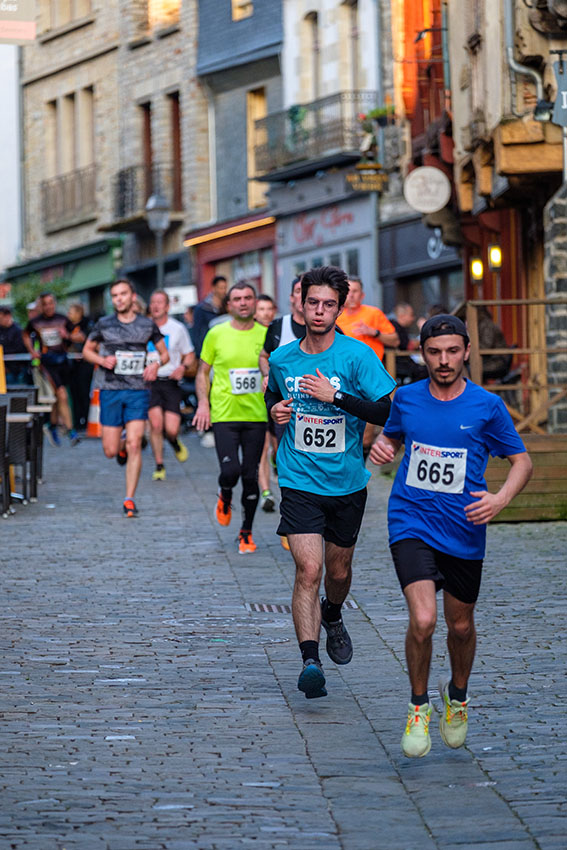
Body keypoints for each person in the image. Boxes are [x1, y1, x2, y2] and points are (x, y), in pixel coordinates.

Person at [370, 314, 533, 758]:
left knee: (460, 626)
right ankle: (418, 706)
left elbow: (522, 462)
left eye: (452, 351)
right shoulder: (406, 398)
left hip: (464, 527)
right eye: (435, 352)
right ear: (422, 354)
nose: (444, 361)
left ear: (466, 352)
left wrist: (499, 500)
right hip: (411, 521)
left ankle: (457, 696)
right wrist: (383, 447)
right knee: (424, 620)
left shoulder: (487, 406)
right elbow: (391, 440)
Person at [266, 266, 396, 699]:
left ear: (339, 309)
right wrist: (275, 411)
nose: (319, 311)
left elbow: (385, 411)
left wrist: (335, 396)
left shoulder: (357, 355)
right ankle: (310, 661)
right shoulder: (283, 358)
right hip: (298, 477)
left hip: (346, 482)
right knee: (309, 569)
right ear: (300, 305)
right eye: (313, 303)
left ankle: (334, 613)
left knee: (338, 572)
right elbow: (273, 396)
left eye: (328, 305)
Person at [82, 279, 169, 518]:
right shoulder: (104, 324)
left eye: (123, 294)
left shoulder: (147, 324)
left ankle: (129, 499)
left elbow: (164, 354)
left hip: (137, 390)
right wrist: (102, 360)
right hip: (110, 390)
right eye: (114, 295)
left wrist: (155, 365)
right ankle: (120, 446)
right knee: (110, 451)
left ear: (132, 296)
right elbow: (86, 351)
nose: (118, 299)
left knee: (135, 443)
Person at [193, 282, 268, 554]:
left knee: (250, 476)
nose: (243, 303)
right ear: (229, 305)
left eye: (248, 298)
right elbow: (202, 372)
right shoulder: (216, 333)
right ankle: (225, 493)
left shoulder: (266, 334)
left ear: (255, 302)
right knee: (230, 471)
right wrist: (203, 404)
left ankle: (246, 532)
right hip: (224, 414)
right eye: (237, 299)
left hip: (257, 415)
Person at [336, 277, 399, 459]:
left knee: (366, 431)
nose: (351, 295)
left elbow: (395, 340)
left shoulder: (373, 314)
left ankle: (360, 464)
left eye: (355, 291)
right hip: (342, 375)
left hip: (369, 377)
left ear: (362, 295)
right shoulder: (336, 316)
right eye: (348, 291)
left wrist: (374, 333)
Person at [147, 289, 196, 481]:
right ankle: (159, 465)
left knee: (172, 429)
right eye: (153, 302)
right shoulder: (143, 327)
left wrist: (183, 367)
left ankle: (174, 442)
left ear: (167, 307)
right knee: (156, 425)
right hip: (150, 382)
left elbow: (189, 354)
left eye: (160, 302)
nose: (156, 306)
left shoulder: (177, 328)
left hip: (171, 382)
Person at [23, 291, 79, 446]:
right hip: (46, 364)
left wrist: (67, 335)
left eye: (50, 303)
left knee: (56, 397)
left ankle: (52, 426)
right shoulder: (35, 322)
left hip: (62, 362)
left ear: (54, 303)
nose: (48, 306)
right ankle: (71, 431)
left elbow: (80, 336)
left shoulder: (62, 319)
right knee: (62, 395)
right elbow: (25, 335)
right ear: (41, 306)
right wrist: (32, 351)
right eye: (45, 304)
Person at [254, 294, 277, 511]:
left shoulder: (278, 331)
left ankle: (276, 462)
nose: (266, 313)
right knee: (261, 447)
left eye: (269, 309)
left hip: (278, 400)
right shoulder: (248, 333)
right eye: (261, 309)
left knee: (277, 449)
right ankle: (266, 492)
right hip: (255, 401)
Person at [67, 303, 94, 430]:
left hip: (85, 365)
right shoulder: (68, 325)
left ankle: (87, 420)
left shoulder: (87, 324)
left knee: (84, 393)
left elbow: (84, 338)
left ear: (79, 313)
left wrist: (68, 336)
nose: (69, 315)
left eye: (71, 312)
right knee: (74, 394)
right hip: (72, 366)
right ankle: (77, 422)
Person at [389, 302, 428, 384]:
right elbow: (408, 346)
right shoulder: (395, 328)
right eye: (411, 315)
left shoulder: (395, 326)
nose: (413, 319)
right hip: (401, 365)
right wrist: (424, 331)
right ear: (402, 316)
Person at [191, 275, 228, 357]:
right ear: (214, 288)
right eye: (221, 288)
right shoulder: (202, 308)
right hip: (208, 351)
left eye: (225, 288)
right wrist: (200, 354)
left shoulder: (228, 307)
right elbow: (197, 333)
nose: (223, 291)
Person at [0, 306, 31, 385]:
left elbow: (20, 349)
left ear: (8, 316)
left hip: (17, 370)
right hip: (3, 370)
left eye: (1, 318)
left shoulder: (18, 331)